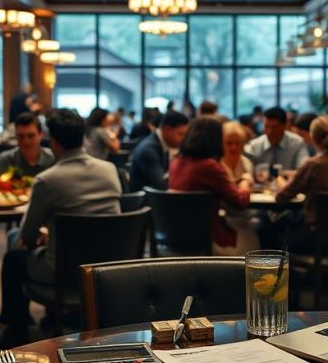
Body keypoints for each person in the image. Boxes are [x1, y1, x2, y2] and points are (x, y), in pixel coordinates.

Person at [0, 109, 122, 347]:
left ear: (52, 141)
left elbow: (27, 235)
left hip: (63, 271)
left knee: (14, 259)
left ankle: (16, 331)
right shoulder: (110, 170)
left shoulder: (48, 179)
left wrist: (44, 236)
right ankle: (57, 316)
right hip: (106, 267)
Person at [274, 116, 328, 251]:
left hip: (317, 238)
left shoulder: (314, 164)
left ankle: (278, 272)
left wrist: (280, 180)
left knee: (273, 236)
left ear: (313, 138)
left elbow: (281, 197)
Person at [169, 117, 255, 255]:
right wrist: (245, 182)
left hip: (176, 236)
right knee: (253, 235)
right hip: (207, 238)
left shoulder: (175, 162)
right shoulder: (209, 166)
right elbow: (240, 202)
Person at [129, 110, 189, 191]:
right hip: (146, 201)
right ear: (167, 130)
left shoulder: (161, 144)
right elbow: (161, 184)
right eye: (181, 134)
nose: (184, 139)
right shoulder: (148, 150)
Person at [0, 112, 55, 178]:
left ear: (41, 135)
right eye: (20, 136)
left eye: (31, 136)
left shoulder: (52, 158)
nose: (26, 141)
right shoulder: (7, 159)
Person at [244, 106, 309, 170]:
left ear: (285, 126)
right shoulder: (254, 145)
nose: (269, 131)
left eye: (274, 127)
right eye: (266, 126)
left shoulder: (297, 143)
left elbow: (303, 169)